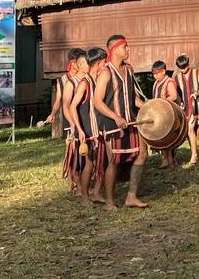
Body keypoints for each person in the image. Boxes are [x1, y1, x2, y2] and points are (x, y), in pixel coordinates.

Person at [93, 35, 149, 209]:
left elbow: (133, 98)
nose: (128, 49)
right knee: (114, 161)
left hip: (131, 121)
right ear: (115, 49)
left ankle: (131, 196)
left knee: (142, 153)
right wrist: (116, 117)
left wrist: (150, 106)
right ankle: (109, 201)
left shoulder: (129, 70)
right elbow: (97, 101)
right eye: (125, 47)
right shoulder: (106, 72)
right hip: (112, 124)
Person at [68, 47, 107, 205]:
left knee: (103, 162)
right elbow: (72, 107)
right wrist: (79, 129)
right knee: (89, 163)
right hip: (87, 129)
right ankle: (85, 196)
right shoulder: (85, 83)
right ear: (98, 64)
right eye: (104, 62)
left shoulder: (98, 81)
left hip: (99, 128)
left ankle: (96, 193)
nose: (105, 65)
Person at [60, 48, 87, 191]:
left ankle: (81, 184)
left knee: (85, 156)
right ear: (75, 63)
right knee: (75, 156)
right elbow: (66, 106)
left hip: (86, 124)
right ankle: (75, 183)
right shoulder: (70, 82)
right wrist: (73, 125)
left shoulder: (87, 79)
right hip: (75, 125)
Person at [173, 53, 199, 167]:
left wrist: (196, 93)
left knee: (190, 129)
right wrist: (179, 103)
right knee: (188, 132)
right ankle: (194, 152)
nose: (183, 70)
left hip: (195, 105)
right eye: (180, 68)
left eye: (184, 67)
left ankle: (194, 155)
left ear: (188, 64)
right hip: (184, 106)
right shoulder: (177, 77)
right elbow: (176, 94)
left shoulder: (196, 73)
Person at [151, 60, 180, 167]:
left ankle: (171, 159)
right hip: (159, 114)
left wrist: (164, 100)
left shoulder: (169, 82)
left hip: (169, 114)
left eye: (157, 73)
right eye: (153, 74)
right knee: (160, 137)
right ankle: (165, 159)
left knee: (168, 137)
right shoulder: (156, 83)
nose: (155, 76)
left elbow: (174, 96)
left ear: (163, 71)